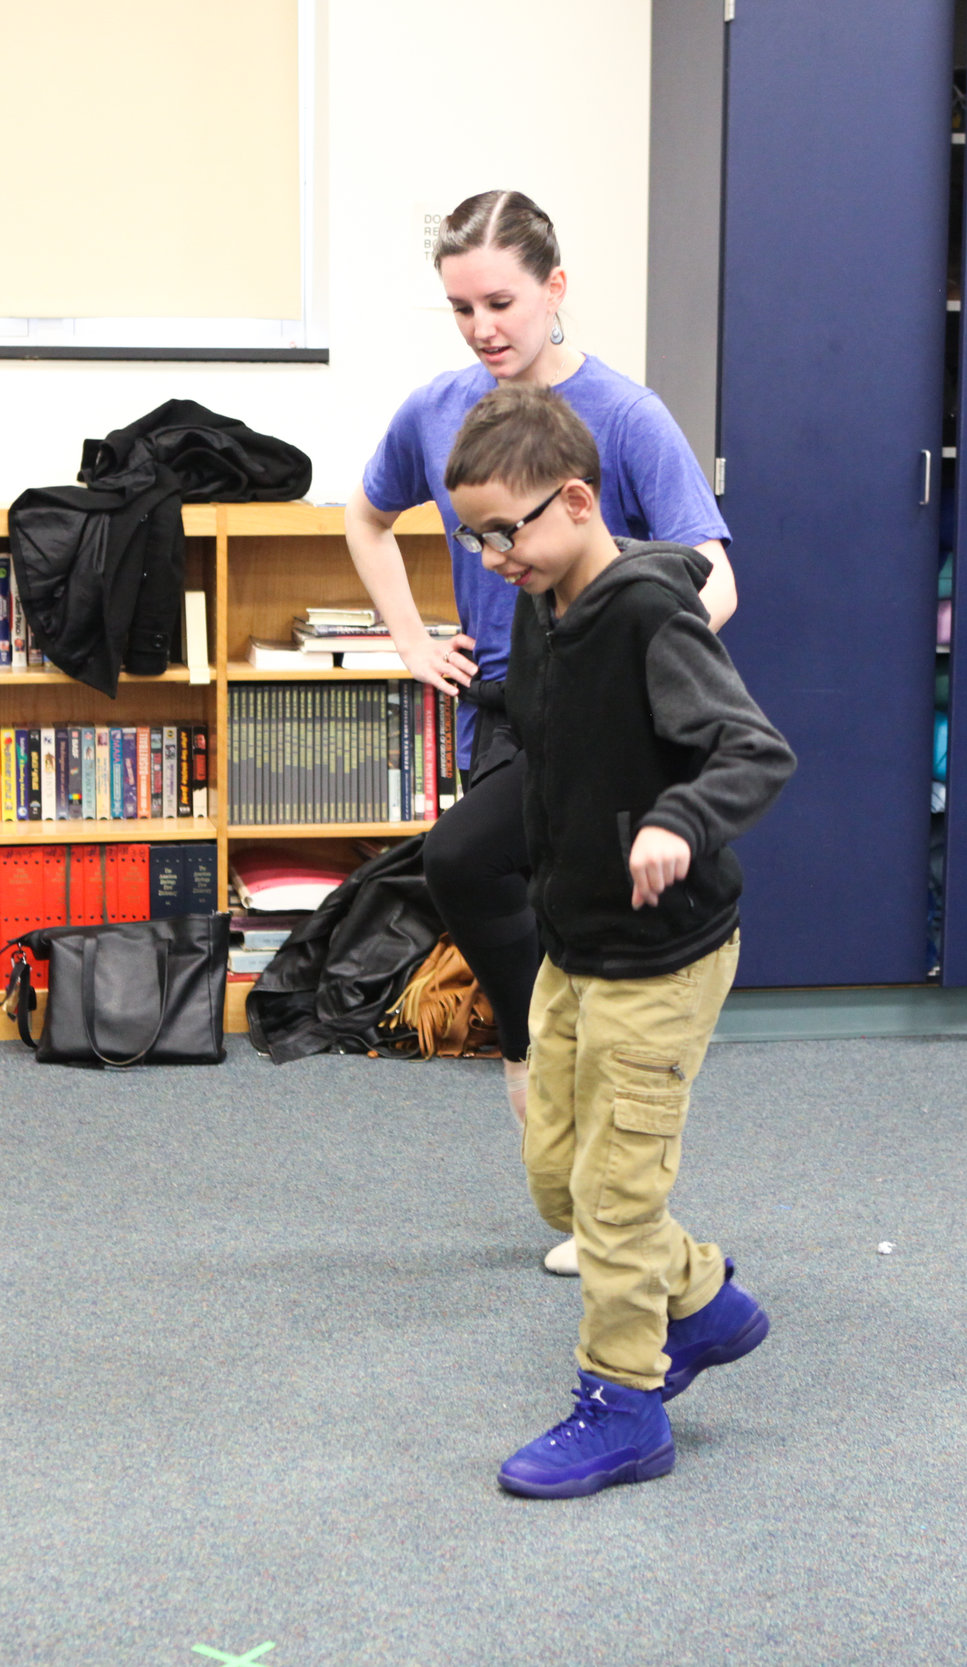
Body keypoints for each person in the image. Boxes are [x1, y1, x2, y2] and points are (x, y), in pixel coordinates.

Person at [345, 190, 735, 1276]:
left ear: (554, 288)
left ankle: (579, 1138)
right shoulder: (438, 413)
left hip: (606, 713)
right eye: (461, 307)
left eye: (501, 302)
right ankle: (551, 1102)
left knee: (478, 863)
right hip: (507, 707)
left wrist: (626, 650)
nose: (482, 328)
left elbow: (716, 575)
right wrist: (411, 637)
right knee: (509, 896)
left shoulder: (625, 415)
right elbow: (366, 517)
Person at [441, 383, 794, 1498]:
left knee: (614, 1194)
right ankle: (704, 1297)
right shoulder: (541, 605)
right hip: (575, 946)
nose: (492, 556)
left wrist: (677, 820)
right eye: (474, 537)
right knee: (559, 1178)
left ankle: (623, 1404)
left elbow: (752, 749)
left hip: (662, 954)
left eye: (505, 531)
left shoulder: (648, 613)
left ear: (578, 500)